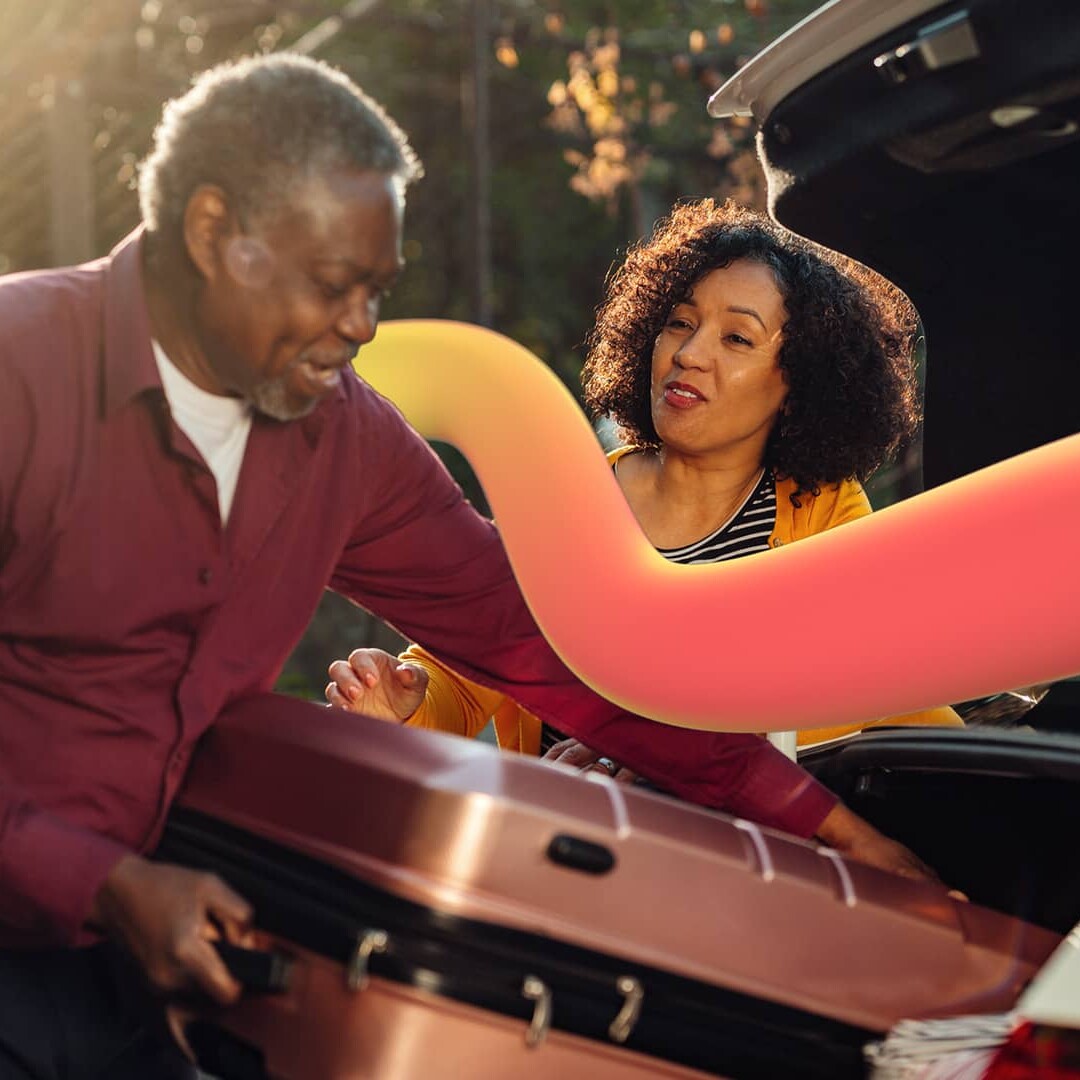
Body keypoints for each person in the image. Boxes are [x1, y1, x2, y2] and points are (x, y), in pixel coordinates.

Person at [0, 57, 935, 1078]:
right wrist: (103, 882)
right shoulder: (21, 374)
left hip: (155, 963)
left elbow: (550, 653)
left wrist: (837, 830)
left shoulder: (341, 433)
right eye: (331, 285)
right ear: (216, 231)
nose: (361, 328)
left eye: (376, 290)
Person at [325, 199, 961, 770]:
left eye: (737, 338)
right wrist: (404, 701)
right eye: (680, 323)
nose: (689, 353)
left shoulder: (821, 510)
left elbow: (884, 695)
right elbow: (465, 673)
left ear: (798, 387)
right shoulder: (568, 502)